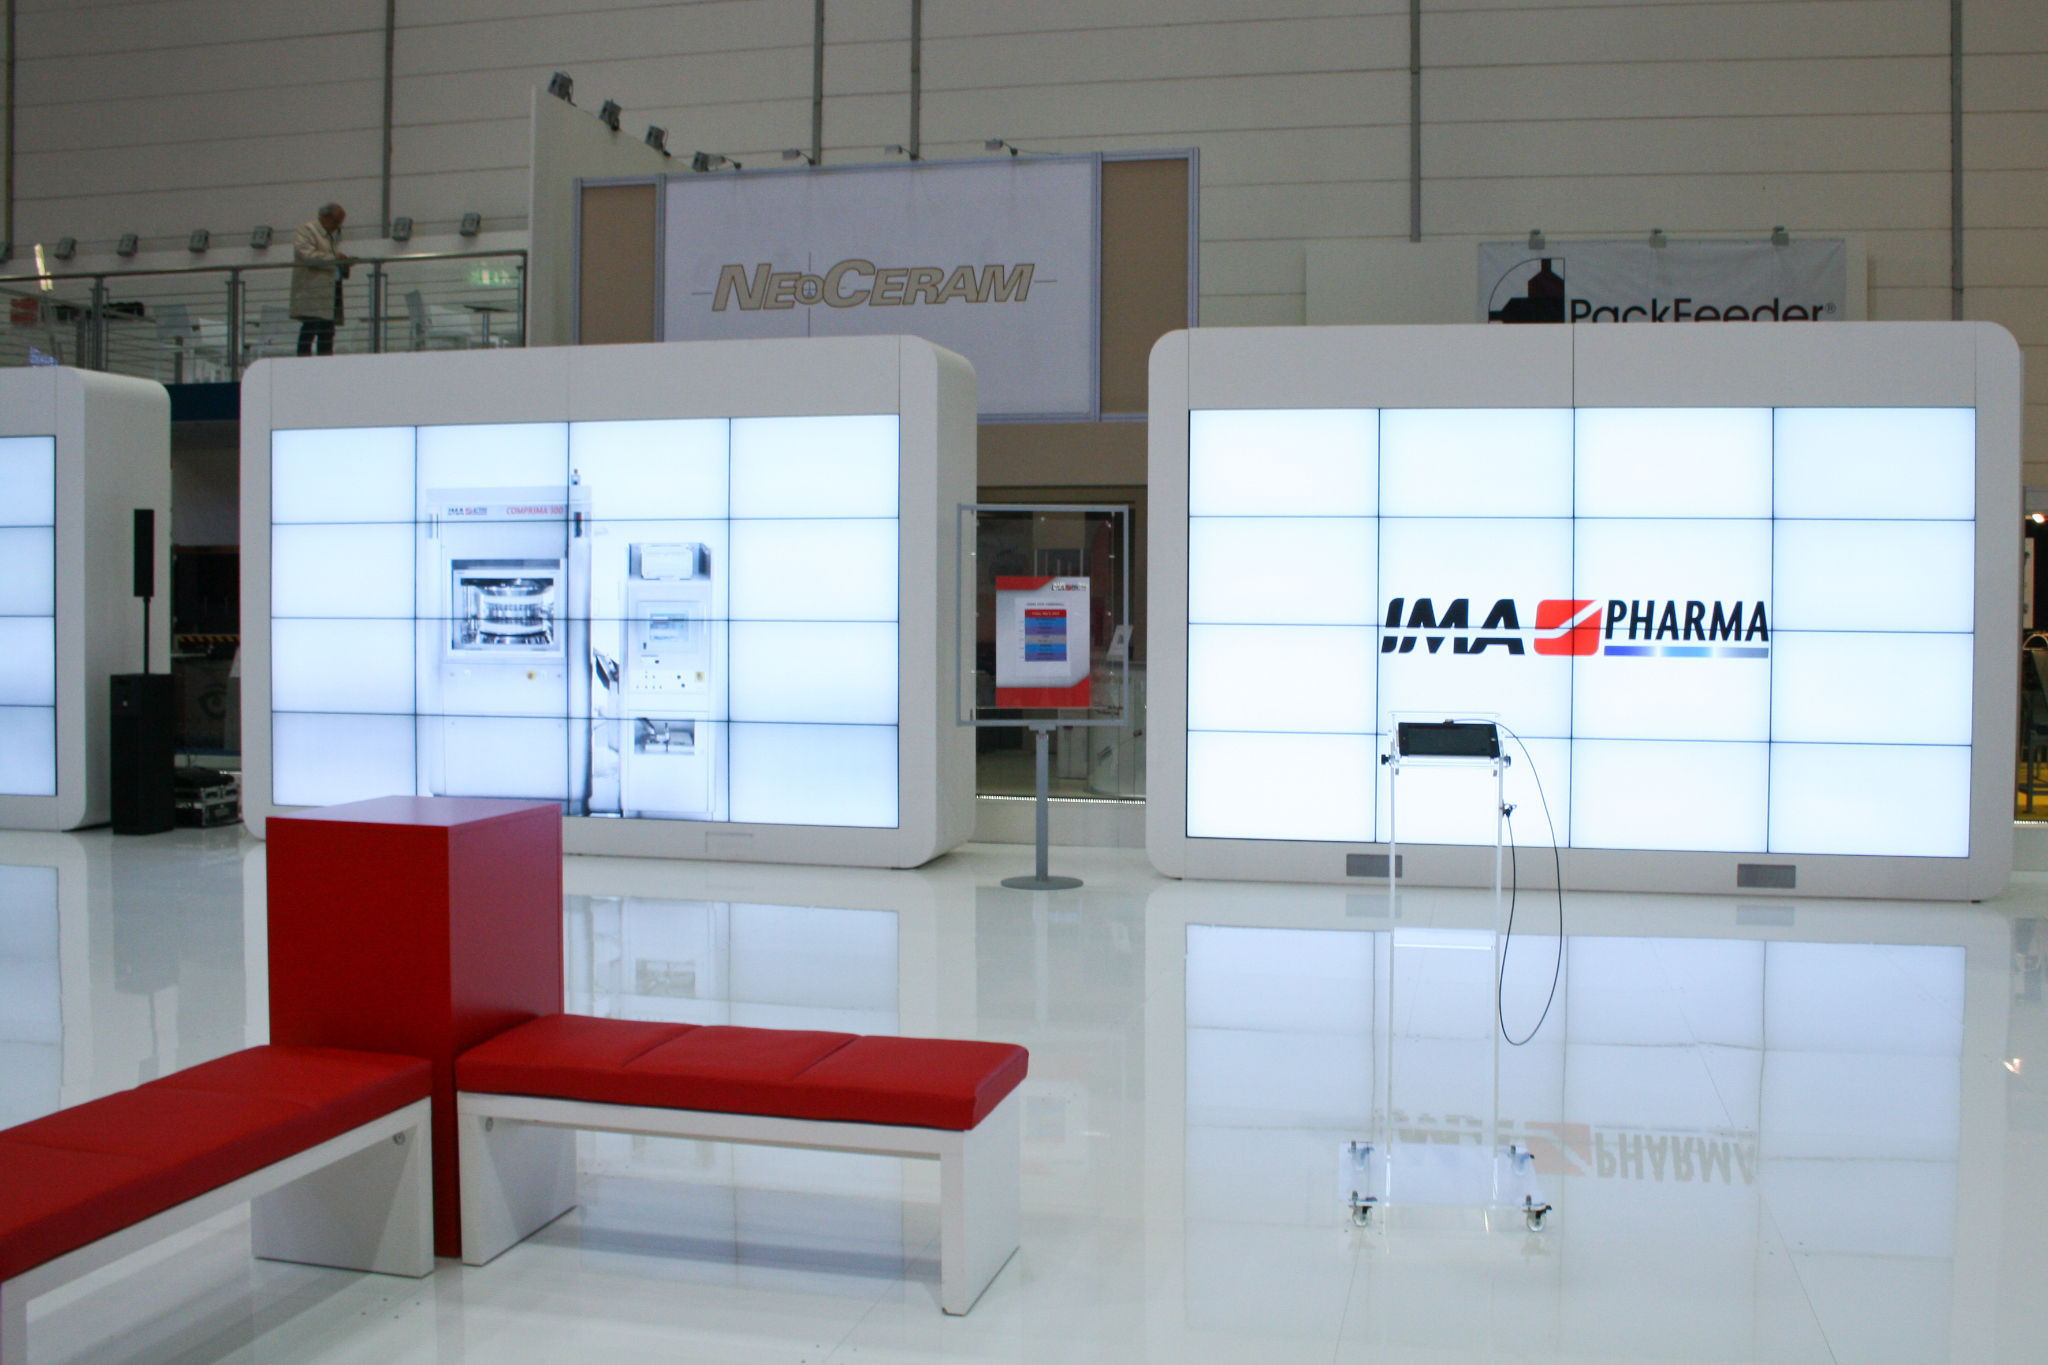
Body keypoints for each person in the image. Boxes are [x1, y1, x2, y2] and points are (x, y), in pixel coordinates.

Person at [290, 203, 352, 356]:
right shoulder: (307, 230)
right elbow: (307, 255)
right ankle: (302, 362)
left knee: (327, 332)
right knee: (310, 328)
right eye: (336, 222)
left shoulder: (329, 236)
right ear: (326, 217)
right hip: (312, 290)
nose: (337, 227)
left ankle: (325, 363)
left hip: (329, 292)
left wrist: (343, 263)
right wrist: (334, 258)